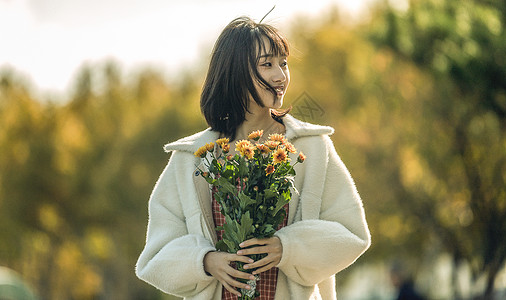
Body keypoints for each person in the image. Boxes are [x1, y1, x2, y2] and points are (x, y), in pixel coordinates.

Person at [135, 16, 371, 300]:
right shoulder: (191, 159)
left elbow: (352, 234)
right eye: (267, 64)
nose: (280, 76)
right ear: (236, 72)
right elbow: (155, 257)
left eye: (283, 63)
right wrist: (205, 261)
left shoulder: (313, 147)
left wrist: (288, 248)